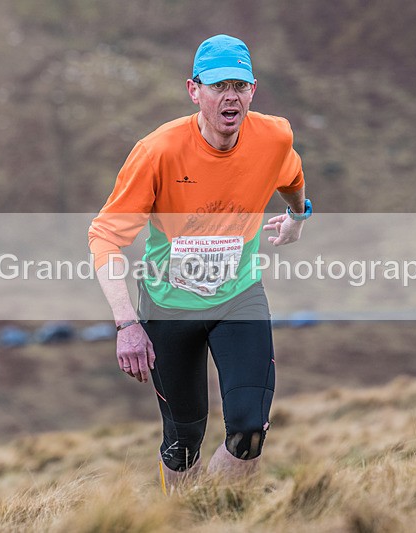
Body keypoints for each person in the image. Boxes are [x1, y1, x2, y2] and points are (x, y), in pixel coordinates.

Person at [88, 34, 312, 492]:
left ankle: (217, 514)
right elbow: (105, 237)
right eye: (217, 86)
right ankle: (185, 517)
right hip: (169, 308)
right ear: (195, 91)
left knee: (249, 430)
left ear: (254, 90)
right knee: (183, 440)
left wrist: (296, 216)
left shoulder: (274, 136)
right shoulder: (158, 151)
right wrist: (126, 323)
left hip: (238, 298)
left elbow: (290, 175)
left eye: (240, 85)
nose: (230, 96)